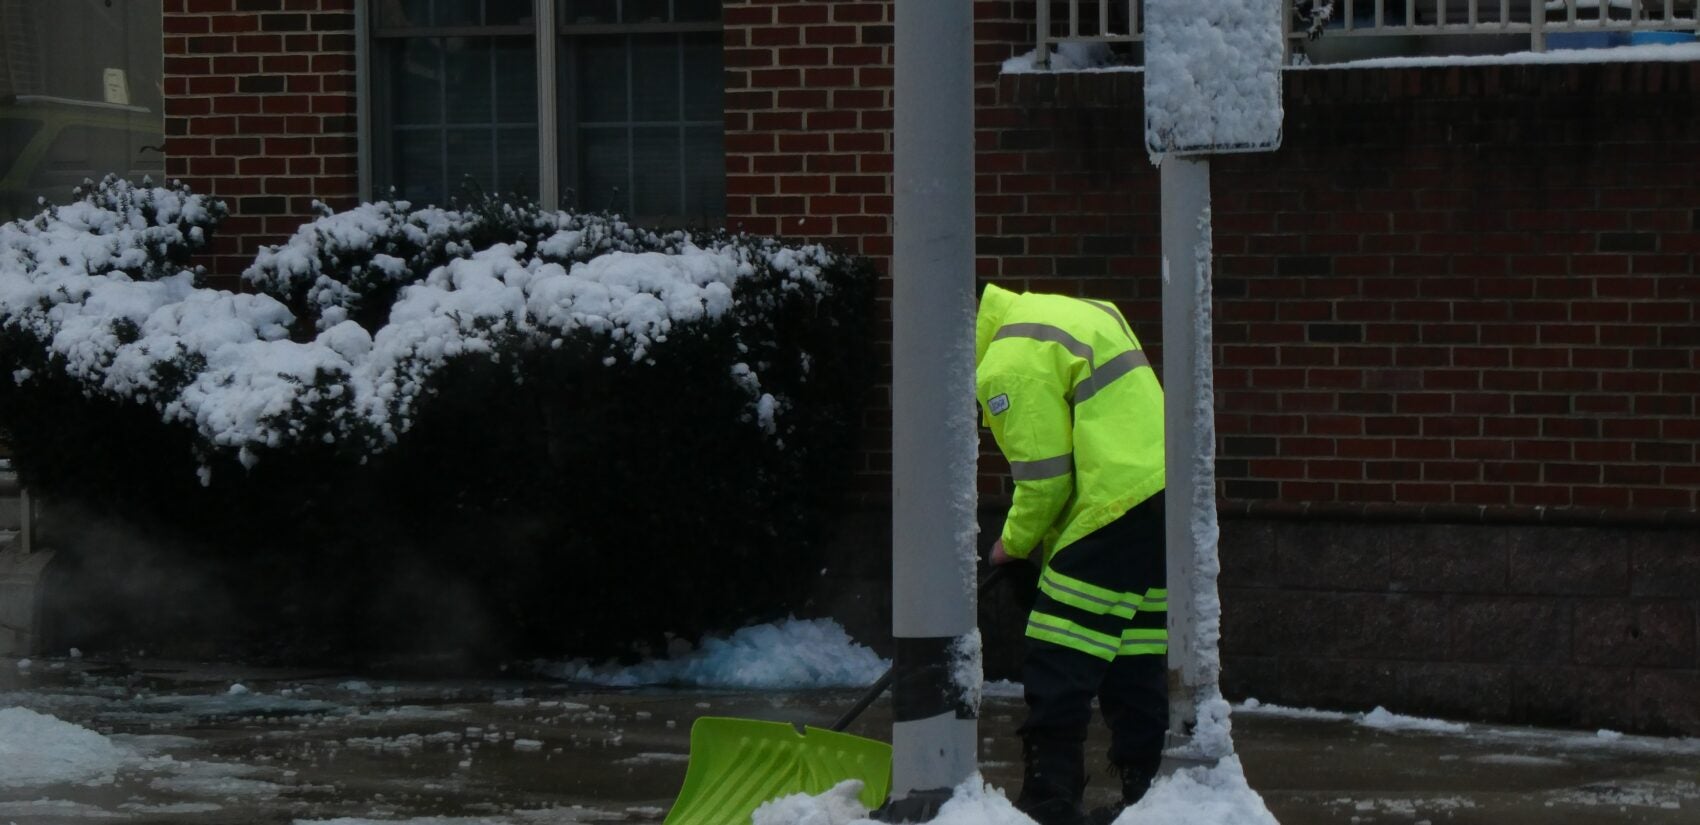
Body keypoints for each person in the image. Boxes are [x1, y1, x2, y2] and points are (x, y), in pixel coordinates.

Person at [975, 283, 1169, 825]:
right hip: (1167, 500)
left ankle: (1049, 800)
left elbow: (1044, 481)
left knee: (1058, 653)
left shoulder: (1005, 364)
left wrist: (1010, 546)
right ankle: (1149, 798)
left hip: (1111, 508)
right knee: (1133, 656)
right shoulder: (1076, 310)